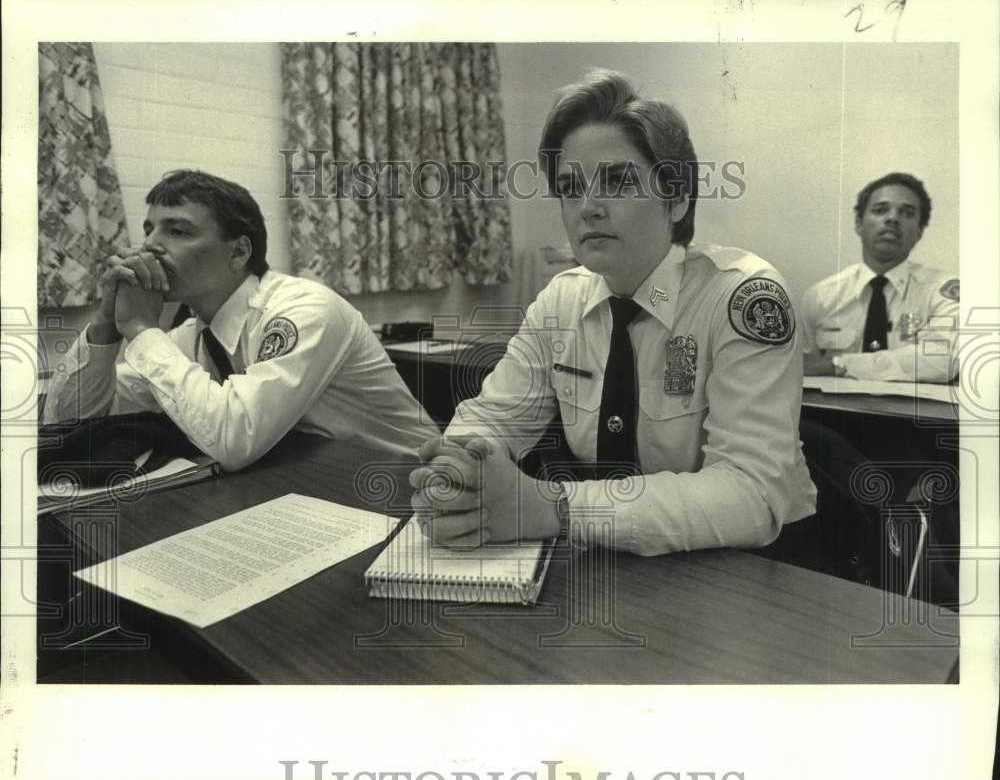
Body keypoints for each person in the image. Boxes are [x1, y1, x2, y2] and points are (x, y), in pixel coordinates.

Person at [408, 69, 817, 558]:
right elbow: (494, 417)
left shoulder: (743, 298)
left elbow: (750, 494)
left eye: (618, 182)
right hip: (617, 555)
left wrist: (551, 507)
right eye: (570, 187)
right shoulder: (561, 301)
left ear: (678, 197)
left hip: (753, 566)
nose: (588, 207)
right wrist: (459, 475)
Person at [43, 169, 439, 470]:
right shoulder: (192, 335)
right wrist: (105, 324)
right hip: (304, 478)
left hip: (401, 481)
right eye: (149, 230)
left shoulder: (304, 309)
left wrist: (143, 331)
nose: (149, 245)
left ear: (238, 253)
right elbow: (70, 422)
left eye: (177, 230)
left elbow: (236, 442)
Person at [801, 173, 959, 383]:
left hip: (913, 414)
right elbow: (804, 369)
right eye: (880, 210)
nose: (892, 218)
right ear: (859, 223)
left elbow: (943, 360)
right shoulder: (821, 296)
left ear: (919, 232)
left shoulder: (941, 293)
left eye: (907, 213)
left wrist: (839, 365)